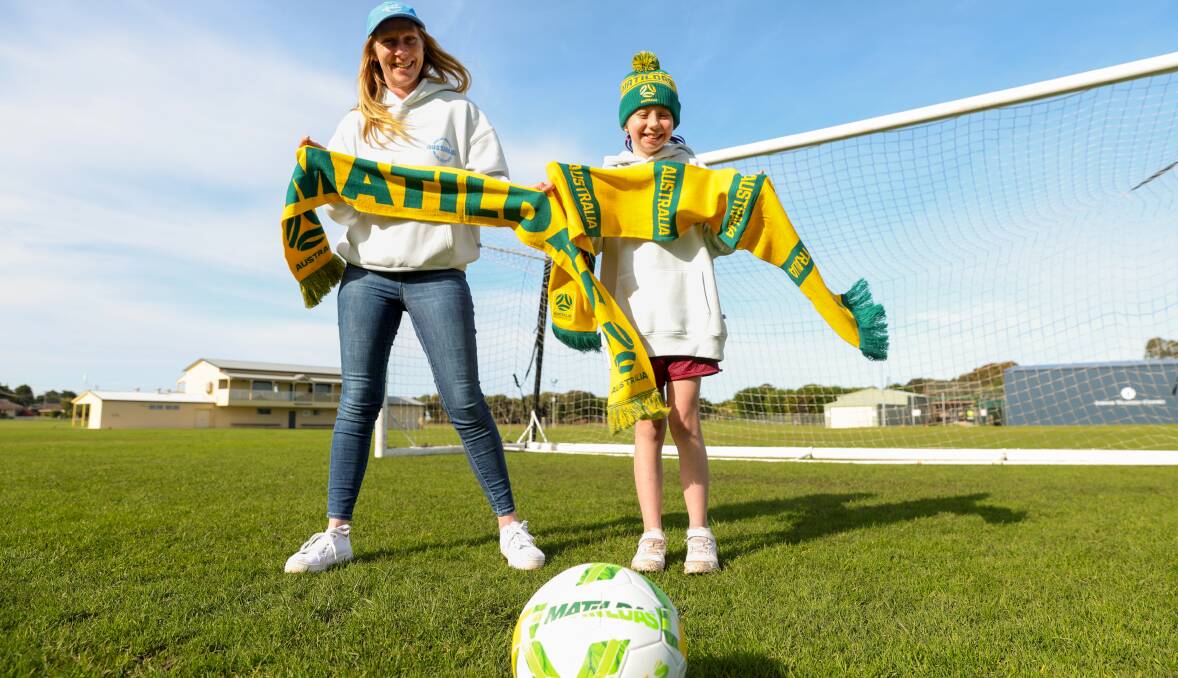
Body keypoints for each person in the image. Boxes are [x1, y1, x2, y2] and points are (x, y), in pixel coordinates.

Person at [284, 1, 545, 573]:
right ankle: (336, 534)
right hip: (366, 277)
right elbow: (342, 208)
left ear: (424, 47)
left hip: (438, 275)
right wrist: (321, 171)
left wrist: (527, 198)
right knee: (358, 402)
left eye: (409, 39)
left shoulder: (459, 112)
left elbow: (491, 189)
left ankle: (510, 527)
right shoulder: (356, 123)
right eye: (389, 42)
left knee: (464, 400)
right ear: (373, 54)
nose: (400, 51)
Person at [596, 52, 729, 573]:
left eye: (663, 114)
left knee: (684, 420)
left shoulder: (696, 174)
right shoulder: (605, 179)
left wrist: (732, 211)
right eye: (643, 113)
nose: (653, 123)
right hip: (632, 322)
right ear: (625, 123)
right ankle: (652, 534)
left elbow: (719, 242)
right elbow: (584, 237)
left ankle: (699, 533)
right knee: (647, 427)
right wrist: (553, 204)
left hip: (688, 316)